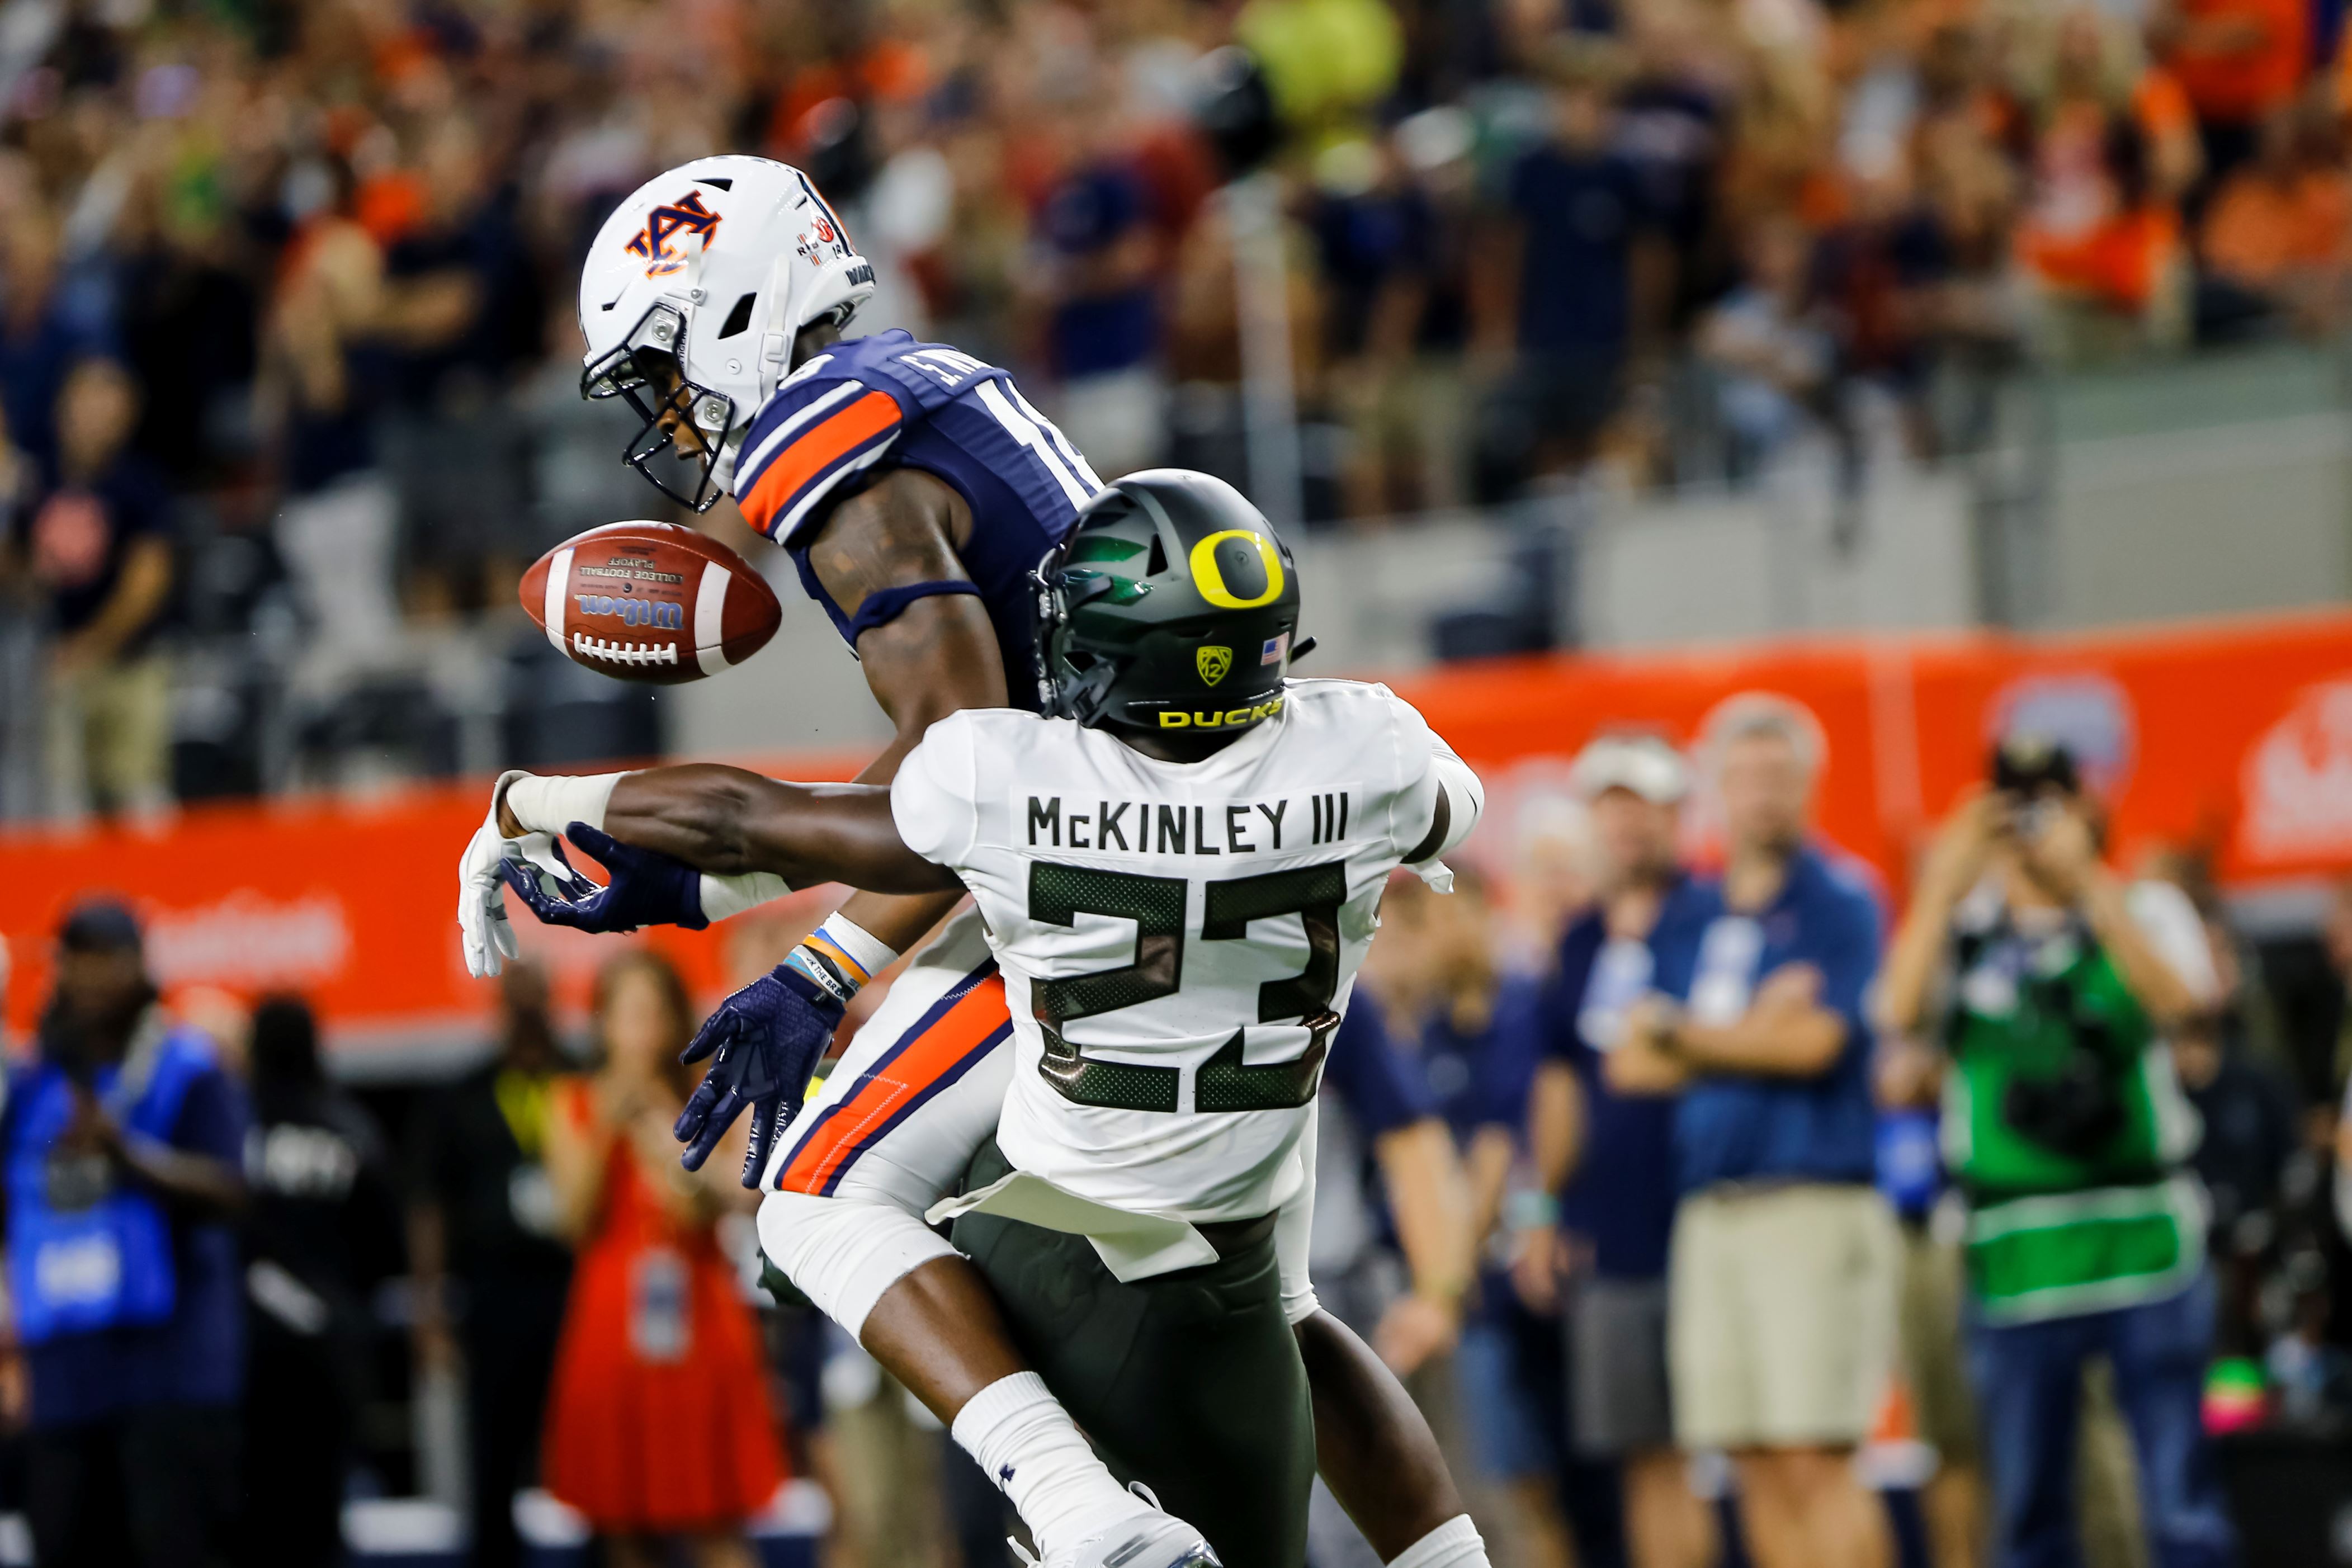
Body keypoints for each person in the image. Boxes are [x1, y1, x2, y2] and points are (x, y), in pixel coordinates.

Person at [461, 154, 1493, 1568]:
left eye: (660, 369)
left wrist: (810, 958)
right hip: (1210, 872)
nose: (668, 413)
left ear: (733, 309)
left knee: (816, 1194)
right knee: (1279, 1301)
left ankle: (1080, 1512)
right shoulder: (919, 379)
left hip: (1087, 900)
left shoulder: (818, 444)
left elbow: (955, 770)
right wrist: (715, 889)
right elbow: (956, 779)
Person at [1879, 736, 2239, 1568]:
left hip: (2142, 1238)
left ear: (2087, 808)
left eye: (2052, 801)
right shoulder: (1965, 928)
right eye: (2014, 803)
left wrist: (2090, 886)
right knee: (2032, 1508)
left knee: (2180, 1503)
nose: (2033, 823)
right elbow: (1897, 1014)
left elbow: (2183, 1008)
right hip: (2017, 1252)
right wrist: (1939, 883)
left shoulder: (2141, 906)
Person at [1604, 695, 1897, 1568]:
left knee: (1815, 1456)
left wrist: (1686, 1034)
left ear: (1810, 786)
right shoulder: (1689, 911)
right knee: (1749, 1460)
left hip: (1808, 1200)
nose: (1762, 795)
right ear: (1716, 788)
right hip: (1710, 1211)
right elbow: (1630, 1060)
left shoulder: (1839, 899)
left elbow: (1815, 1046)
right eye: (1745, 776)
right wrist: (1748, 1032)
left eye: (1780, 776)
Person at [1, 899, 249, 1568]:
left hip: (170, 1374)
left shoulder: (190, 1066)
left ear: (139, 965)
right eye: (75, 959)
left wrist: (127, 1156)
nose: (88, 976)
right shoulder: (34, 1081)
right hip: (64, 1376)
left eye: (105, 958)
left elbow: (233, 1188)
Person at [1532, 734, 1716, 1568]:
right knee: (1641, 1455)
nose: (1627, 826)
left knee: (1739, 1449)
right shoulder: (1577, 940)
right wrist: (1543, 1207)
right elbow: (1560, 1087)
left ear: (1677, 813)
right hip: (1611, 1232)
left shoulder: (1714, 917)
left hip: (1708, 1214)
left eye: (1642, 805)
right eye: (1611, 808)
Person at [540, 951, 785, 1568]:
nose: (642, 1030)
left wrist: (657, 1128)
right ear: (601, 1023)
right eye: (628, 1014)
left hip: (699, 1313)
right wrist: (608, 1123)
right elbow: (573, 1218)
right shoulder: (570, 1099)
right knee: (624, 1523)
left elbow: (704, 1208)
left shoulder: (710, 1096)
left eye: (654, 1013)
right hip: (610, 1317)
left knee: (714, 1519)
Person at [1376, 867, 1570, 1568]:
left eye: (1453, 916)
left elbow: (1495, 1153)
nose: (1442, 936)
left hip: (1486, 1290)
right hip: (1437, 1282)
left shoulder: (1515, 1008)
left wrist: (1448, 1274)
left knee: (1507, 1487)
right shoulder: (1422, 1026)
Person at [407, 960, 574, 1568]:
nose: (528, 1012)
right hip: (493, 1292)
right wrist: (430, 1308)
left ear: (554, 1004)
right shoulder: (464, 1094)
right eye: (516, 1001)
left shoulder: (580, 1080)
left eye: (537, 999)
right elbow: (429, 1205)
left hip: (573, 1286)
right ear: (500, 1008)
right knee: (492, 1450)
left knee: (585, 1441)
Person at [238, 994, 404, 1568]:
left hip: (244, 1354)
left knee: (248, 1519)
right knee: (320, 1516)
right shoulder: (350, 1127)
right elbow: (388, 1246)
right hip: (330, 1351)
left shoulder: (233, 1128)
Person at [18, 358, 176, 821]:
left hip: (129, 662)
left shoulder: (139, 485)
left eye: (110, 404)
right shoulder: (37, 480)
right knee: (64, 806)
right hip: (57, 664)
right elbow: (19, 574)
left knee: (140, 798)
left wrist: (92, 644)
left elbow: (148, 581)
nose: (96, 416)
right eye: (86, 401)